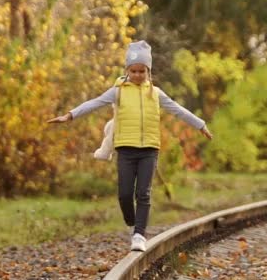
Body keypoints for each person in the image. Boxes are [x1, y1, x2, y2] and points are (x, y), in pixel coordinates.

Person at [48, 40, 212, 252]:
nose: (137, 75)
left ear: (148, 71)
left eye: (141, 71)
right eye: (133, 71)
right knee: (125, 194)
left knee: (143, 193)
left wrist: (200, 125)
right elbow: (94, 103)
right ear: (127, 70)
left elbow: (178, 110)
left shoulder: (156, 93)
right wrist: (70, 115)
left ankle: (139, 235)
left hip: (149, 150)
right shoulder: (118, 91)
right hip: (125, 148)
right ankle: (131, 222)